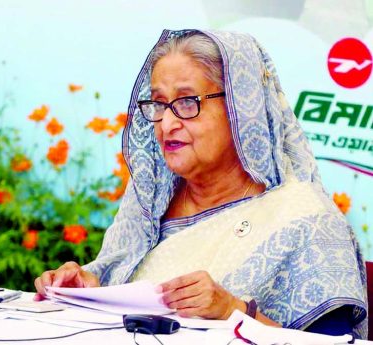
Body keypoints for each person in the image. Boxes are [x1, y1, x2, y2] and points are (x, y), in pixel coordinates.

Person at [33, 30, 366, 337]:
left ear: (241, 108)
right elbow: (126, 299)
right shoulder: (151, 202)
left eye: (187, 103)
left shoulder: (304, 220)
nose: (167, 123)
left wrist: (232, 311)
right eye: (159, 104)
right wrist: (89, 285)